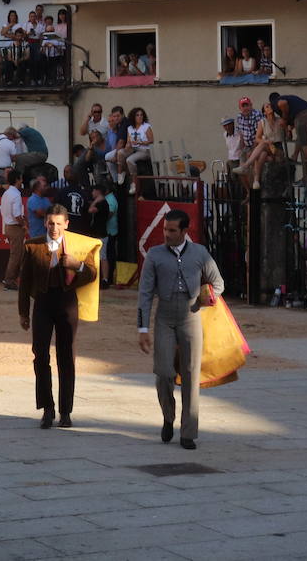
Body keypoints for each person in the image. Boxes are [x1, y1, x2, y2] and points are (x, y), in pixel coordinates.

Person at [137, 210, 224, 450]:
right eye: (165, 229)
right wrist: (142, 328)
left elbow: (218, 282)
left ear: (185, 231)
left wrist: (210, 295)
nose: (166, 234)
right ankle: (168, 416)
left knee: (191, 374)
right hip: (164, 316)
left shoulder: (200, 253)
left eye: (172, 230)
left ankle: (188, 432)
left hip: (191, 315)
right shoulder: (154, 255)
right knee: (163, 372)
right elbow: (144, 294)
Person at [18, 205, 98, 429]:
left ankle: (65, 411)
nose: (54, 228)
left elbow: (92, 273)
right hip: (43, 303)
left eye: (58, 224)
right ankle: (47, 408)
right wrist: (23, 312)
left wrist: (77, 264)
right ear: (45, 223)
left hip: (67, 304)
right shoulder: (32, 246)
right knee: (40, 355)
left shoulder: (76, 246)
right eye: (51, 223)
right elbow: (24, 283)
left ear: (66, 225)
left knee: (66, 357)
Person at [0, 170, 26, 291]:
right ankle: (9, 280)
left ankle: (11, 280)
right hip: (15, 227)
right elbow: (17, 215)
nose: (21, 181)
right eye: (20, 179)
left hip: (8, 225)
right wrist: (24, 225)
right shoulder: (15, 194)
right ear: (16, 180)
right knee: (16, 255)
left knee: (16, 254)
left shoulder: (7, 193)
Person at [123, 107, 154, 193]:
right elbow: (128, 141)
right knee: (120, 154)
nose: (140, 117)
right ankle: (121, 175)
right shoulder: (130, 128)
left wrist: (141, 142)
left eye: (141, 115)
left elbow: (151, 140)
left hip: (144, 150)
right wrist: (128, 145)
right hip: (134, 149)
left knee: (129, 160)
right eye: (137, 115)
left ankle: (134, 182)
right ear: (133, 117)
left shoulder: (146, 126)